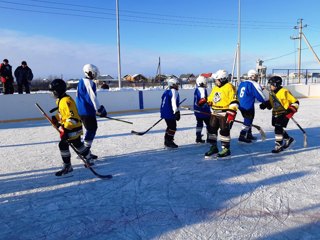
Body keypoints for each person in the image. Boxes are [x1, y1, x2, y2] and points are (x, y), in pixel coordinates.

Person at [48, 79, 94, 176]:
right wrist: (56, 118)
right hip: (71, 127)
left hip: (72, 128)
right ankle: (89, 157)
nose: (52, 94)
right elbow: (63, 114)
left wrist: (64, 129)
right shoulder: (61, 100)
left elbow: (72, 118)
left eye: (53, 91)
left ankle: (68, 166)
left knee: (63, 145)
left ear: (58, 91)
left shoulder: (66, 101)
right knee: (77, 144)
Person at [260, 76, 299, 153]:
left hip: (284, 113)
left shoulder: (284, 91)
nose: (269, 86)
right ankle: (288, 139)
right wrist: (265, 104)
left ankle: (279, 146)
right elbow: (272, 102)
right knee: (277, 126)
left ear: (276, 84)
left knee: (278, 127)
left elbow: (295, 102)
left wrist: (290, 110)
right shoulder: (272, 92)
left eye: (271, 84)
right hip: (275, 113)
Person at [205, 69, 239, 158]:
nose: (215, 81)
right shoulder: (216, 87)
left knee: (224, 131)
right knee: (211, 130)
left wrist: (232, 112)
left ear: (223, 79)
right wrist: (207, 101)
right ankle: (213, 147)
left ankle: (226, 149)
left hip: (225, 114)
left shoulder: (229, 87)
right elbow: (212, 98)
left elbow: (234, 101)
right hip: (214, 113)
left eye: (217, 80)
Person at [76, 64, 107, 158]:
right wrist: (99, 109)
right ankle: (85, 152)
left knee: (91, 129)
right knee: (91, 129)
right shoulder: (89, 82)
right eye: (94, 72)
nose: (95, 74)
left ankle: (85, 151)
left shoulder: (81, 81)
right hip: (86, 111)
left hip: (82, 110)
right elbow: (92, 97)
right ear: (88, 72)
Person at [237, 69, 267, 143]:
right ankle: (242, 136)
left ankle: (249, 134)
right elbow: (260, 96)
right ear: (252, 76)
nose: (257, 77)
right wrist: (266, 102)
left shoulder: (242, 83)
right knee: (248, 120)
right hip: (248, 105)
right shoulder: (253, 84)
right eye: (256, 76)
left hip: (241, 104)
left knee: (250, 118)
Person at [160, 78, 181, 148]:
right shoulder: (173, 91)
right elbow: (173, 102)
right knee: (173, 127)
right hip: (170, 112)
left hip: (164, 112)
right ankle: (169, 141)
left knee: (169, 126)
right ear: (172, 85)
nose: (178, 86)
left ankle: (167, 141)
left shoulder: (166, 91)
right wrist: (176, 112)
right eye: (176, 84)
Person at [193, 75, 211, 143]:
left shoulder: (197, 89)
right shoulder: (202, 89)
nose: (206, 84)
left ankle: (198, 137)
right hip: (204, 111)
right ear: (201, 82)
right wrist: (208, 104)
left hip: (197, 111)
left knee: (199, 124)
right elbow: (203, 100)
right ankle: (209, 138)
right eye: (205, 82)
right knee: (209, 124)